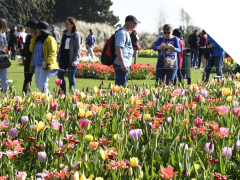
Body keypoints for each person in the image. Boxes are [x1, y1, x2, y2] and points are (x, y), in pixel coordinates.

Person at [30, 21, 59, 94]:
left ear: (40, 29)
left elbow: (52, 52)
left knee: (42, 85)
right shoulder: (38, 39)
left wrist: (49, 63)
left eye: (37, 29)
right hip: (37, 64)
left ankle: (49, 101)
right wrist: (34, 38)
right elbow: (31, 49)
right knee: (38, 84)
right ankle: (48, 100)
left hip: (45, 65)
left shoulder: (50, 39)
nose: (35, 30)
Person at [114, 15, 140, 87]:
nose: (136, 26)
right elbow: (118, 48)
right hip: (121, 64)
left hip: (124, 63)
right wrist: (122, 64)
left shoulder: (125, 32)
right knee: (121, 87)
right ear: (130, 23)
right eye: (135, 24)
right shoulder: (122, 33)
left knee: (122, 86)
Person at [57, 17, 81, 94]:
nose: (65, 25)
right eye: (65, 23)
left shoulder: (76, 35)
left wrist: (75, 60)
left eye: (67, 23)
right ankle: (62, 92)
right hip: (63, 59)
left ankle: (72, 94)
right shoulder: (64, 33)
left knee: (71, 78)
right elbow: (62, 46)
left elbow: (77, 49)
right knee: (60, 76)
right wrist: (58, 56)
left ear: (72, 25)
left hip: (71, 60)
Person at [21, 19, 38, 93]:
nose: (28, 29)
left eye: (30, 28)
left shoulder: (39, 37)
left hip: (36, 61)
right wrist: (22, 57)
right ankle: (25, 94)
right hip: (28, 60)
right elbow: (25, 48)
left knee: (39, 81)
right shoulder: (28, 36)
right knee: (27, 79)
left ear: (34, 28)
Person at [0, 18, 8, 97]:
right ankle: (5, 94)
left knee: (4, 77)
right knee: (4, 77)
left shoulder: (2, 33)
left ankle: (5, 94)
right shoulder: (3, 33)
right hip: (3, 57)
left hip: (1, 57)